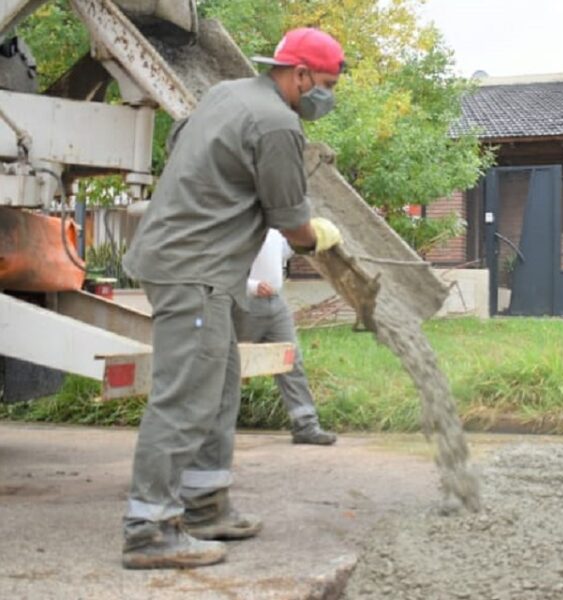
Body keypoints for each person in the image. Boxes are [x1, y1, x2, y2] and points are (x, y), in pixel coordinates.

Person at [120, 28, 346, 569]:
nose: (328, 97)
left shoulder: (225, 94)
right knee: (184, 396)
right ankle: (148, 529)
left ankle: (203, 504)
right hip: (192, 271)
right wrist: (321, 235)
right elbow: (291, 222)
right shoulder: (277, 123)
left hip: (189, 265)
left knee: (217, 383)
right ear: (300, 75)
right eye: (328, 85)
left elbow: (178, 142)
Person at [236, 228, 336, 445]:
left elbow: (284, 250)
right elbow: (220, 268)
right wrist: (251, 286)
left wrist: (314, 236)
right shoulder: (238, 223)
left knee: (291, 361)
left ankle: (306, 426)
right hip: (243, 304)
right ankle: (207, 429)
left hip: (276, 303)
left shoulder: (274, 228)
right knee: (230, 365)